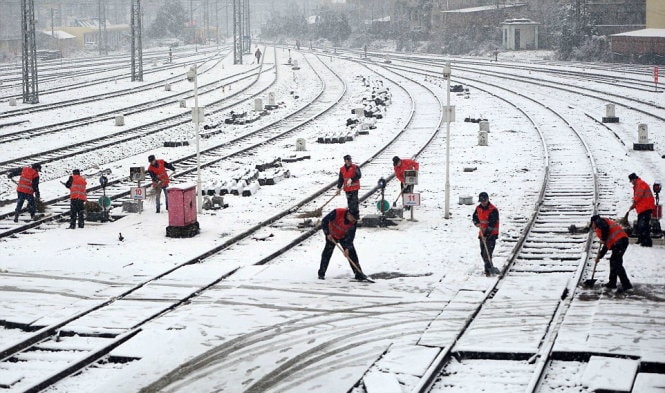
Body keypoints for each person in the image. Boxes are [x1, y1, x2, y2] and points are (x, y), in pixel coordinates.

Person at [318, 208, 365, 280]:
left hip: (344, 237)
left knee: (352, 254)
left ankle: (359, 274)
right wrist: (327, 233)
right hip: (331, 235)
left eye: (355, 220)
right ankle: (321, 274)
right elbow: (324, 221)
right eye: (353, 219)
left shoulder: (353, 222)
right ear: (349, 214)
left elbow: (351, 235)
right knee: (326, 254)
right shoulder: (337, 212)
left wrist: (347, 248)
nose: (353, 221)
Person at [590, 215, 632, 292]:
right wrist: (599, 256)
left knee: (616, 263)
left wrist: (603, 239)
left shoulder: (600, 222)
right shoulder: (601, 227)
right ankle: (612, 283)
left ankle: (627, 285)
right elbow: (606, 246)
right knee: (614, 262)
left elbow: (605, 229)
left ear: (593, 222)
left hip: (620, 241)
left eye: (591, 224)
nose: (592, 226)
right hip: (619, 242)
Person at [472, 192, 500, 276]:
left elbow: (492, 224)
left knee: (487, 254)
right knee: (483, 253)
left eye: (484, 201)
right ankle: (489, 268)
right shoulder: (478, 208)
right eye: (481, 201)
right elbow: (474, 217)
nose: (483, 203)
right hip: (482, 235)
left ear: (488, 199)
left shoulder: (493, 210)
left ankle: (488, 270)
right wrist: (476, 222)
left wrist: (486, 235)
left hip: (491, 235)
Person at [628, 173, 655, 247]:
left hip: (646, 207)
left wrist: (634, 203)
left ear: (634, 179)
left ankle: (647, 242)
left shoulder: (640, 183)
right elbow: (639, 197)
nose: (631, 182)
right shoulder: (638, 184)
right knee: (641, 225)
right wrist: (634, 205)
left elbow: (638, 195)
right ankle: (641, 240)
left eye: (631, 181)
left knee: (643, 225)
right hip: (643, 208)